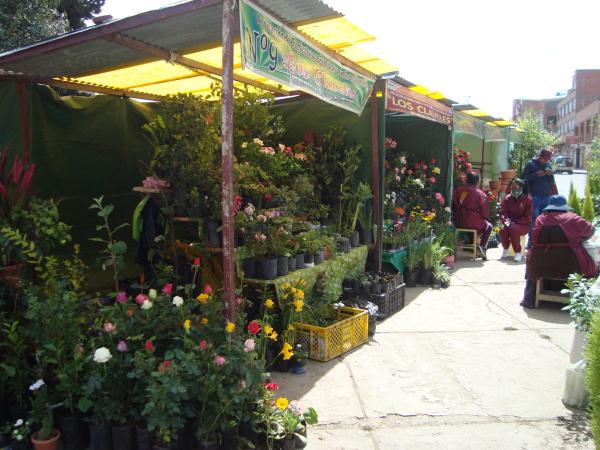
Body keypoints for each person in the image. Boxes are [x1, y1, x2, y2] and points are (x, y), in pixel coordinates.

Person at [521, 195, 597, 308]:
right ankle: (582, 300)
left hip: (540, 264)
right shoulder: (573, 218)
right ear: (564, 207)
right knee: (590, 263)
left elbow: (534, 240)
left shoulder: (540, 219)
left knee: (532, 261)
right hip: (568, 264)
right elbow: (590, 230)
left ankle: (530, 299)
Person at [452, 171, 492, 260]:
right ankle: (483, 247)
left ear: (467, 180)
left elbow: (454, 204)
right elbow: (484, 212)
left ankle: (472, 247)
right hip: (472, 220)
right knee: (488, 226)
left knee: (472, 226)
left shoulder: (459, 190)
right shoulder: (480, 193)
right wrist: (482, 217)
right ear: (477, 182)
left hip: (458, 220)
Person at [521, 148, 556, 246]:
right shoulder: (530, 164)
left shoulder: (548, 165)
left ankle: (542, 241)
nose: (546, 161)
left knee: (545, 219)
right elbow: (523, 178)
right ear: (540, 156)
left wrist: (550, 174)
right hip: (534, 196)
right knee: (534, 219)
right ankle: (531, 241)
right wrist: (535, 175)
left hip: (546, 196)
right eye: (544, 159)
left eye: (547, 159)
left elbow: (551, 181)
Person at [498, 179, 532, 262]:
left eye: (515, 187)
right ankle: (505, 249)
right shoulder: (508, 198)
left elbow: (528, 217)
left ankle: (518, 252)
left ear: (521, 187)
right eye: (511, 186)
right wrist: (505, 220)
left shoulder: (527, 199)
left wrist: (516, 222)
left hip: (523, 224)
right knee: (502, 228)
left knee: (513, 229)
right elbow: (503, 211)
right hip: (509, 221)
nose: (513, 188)